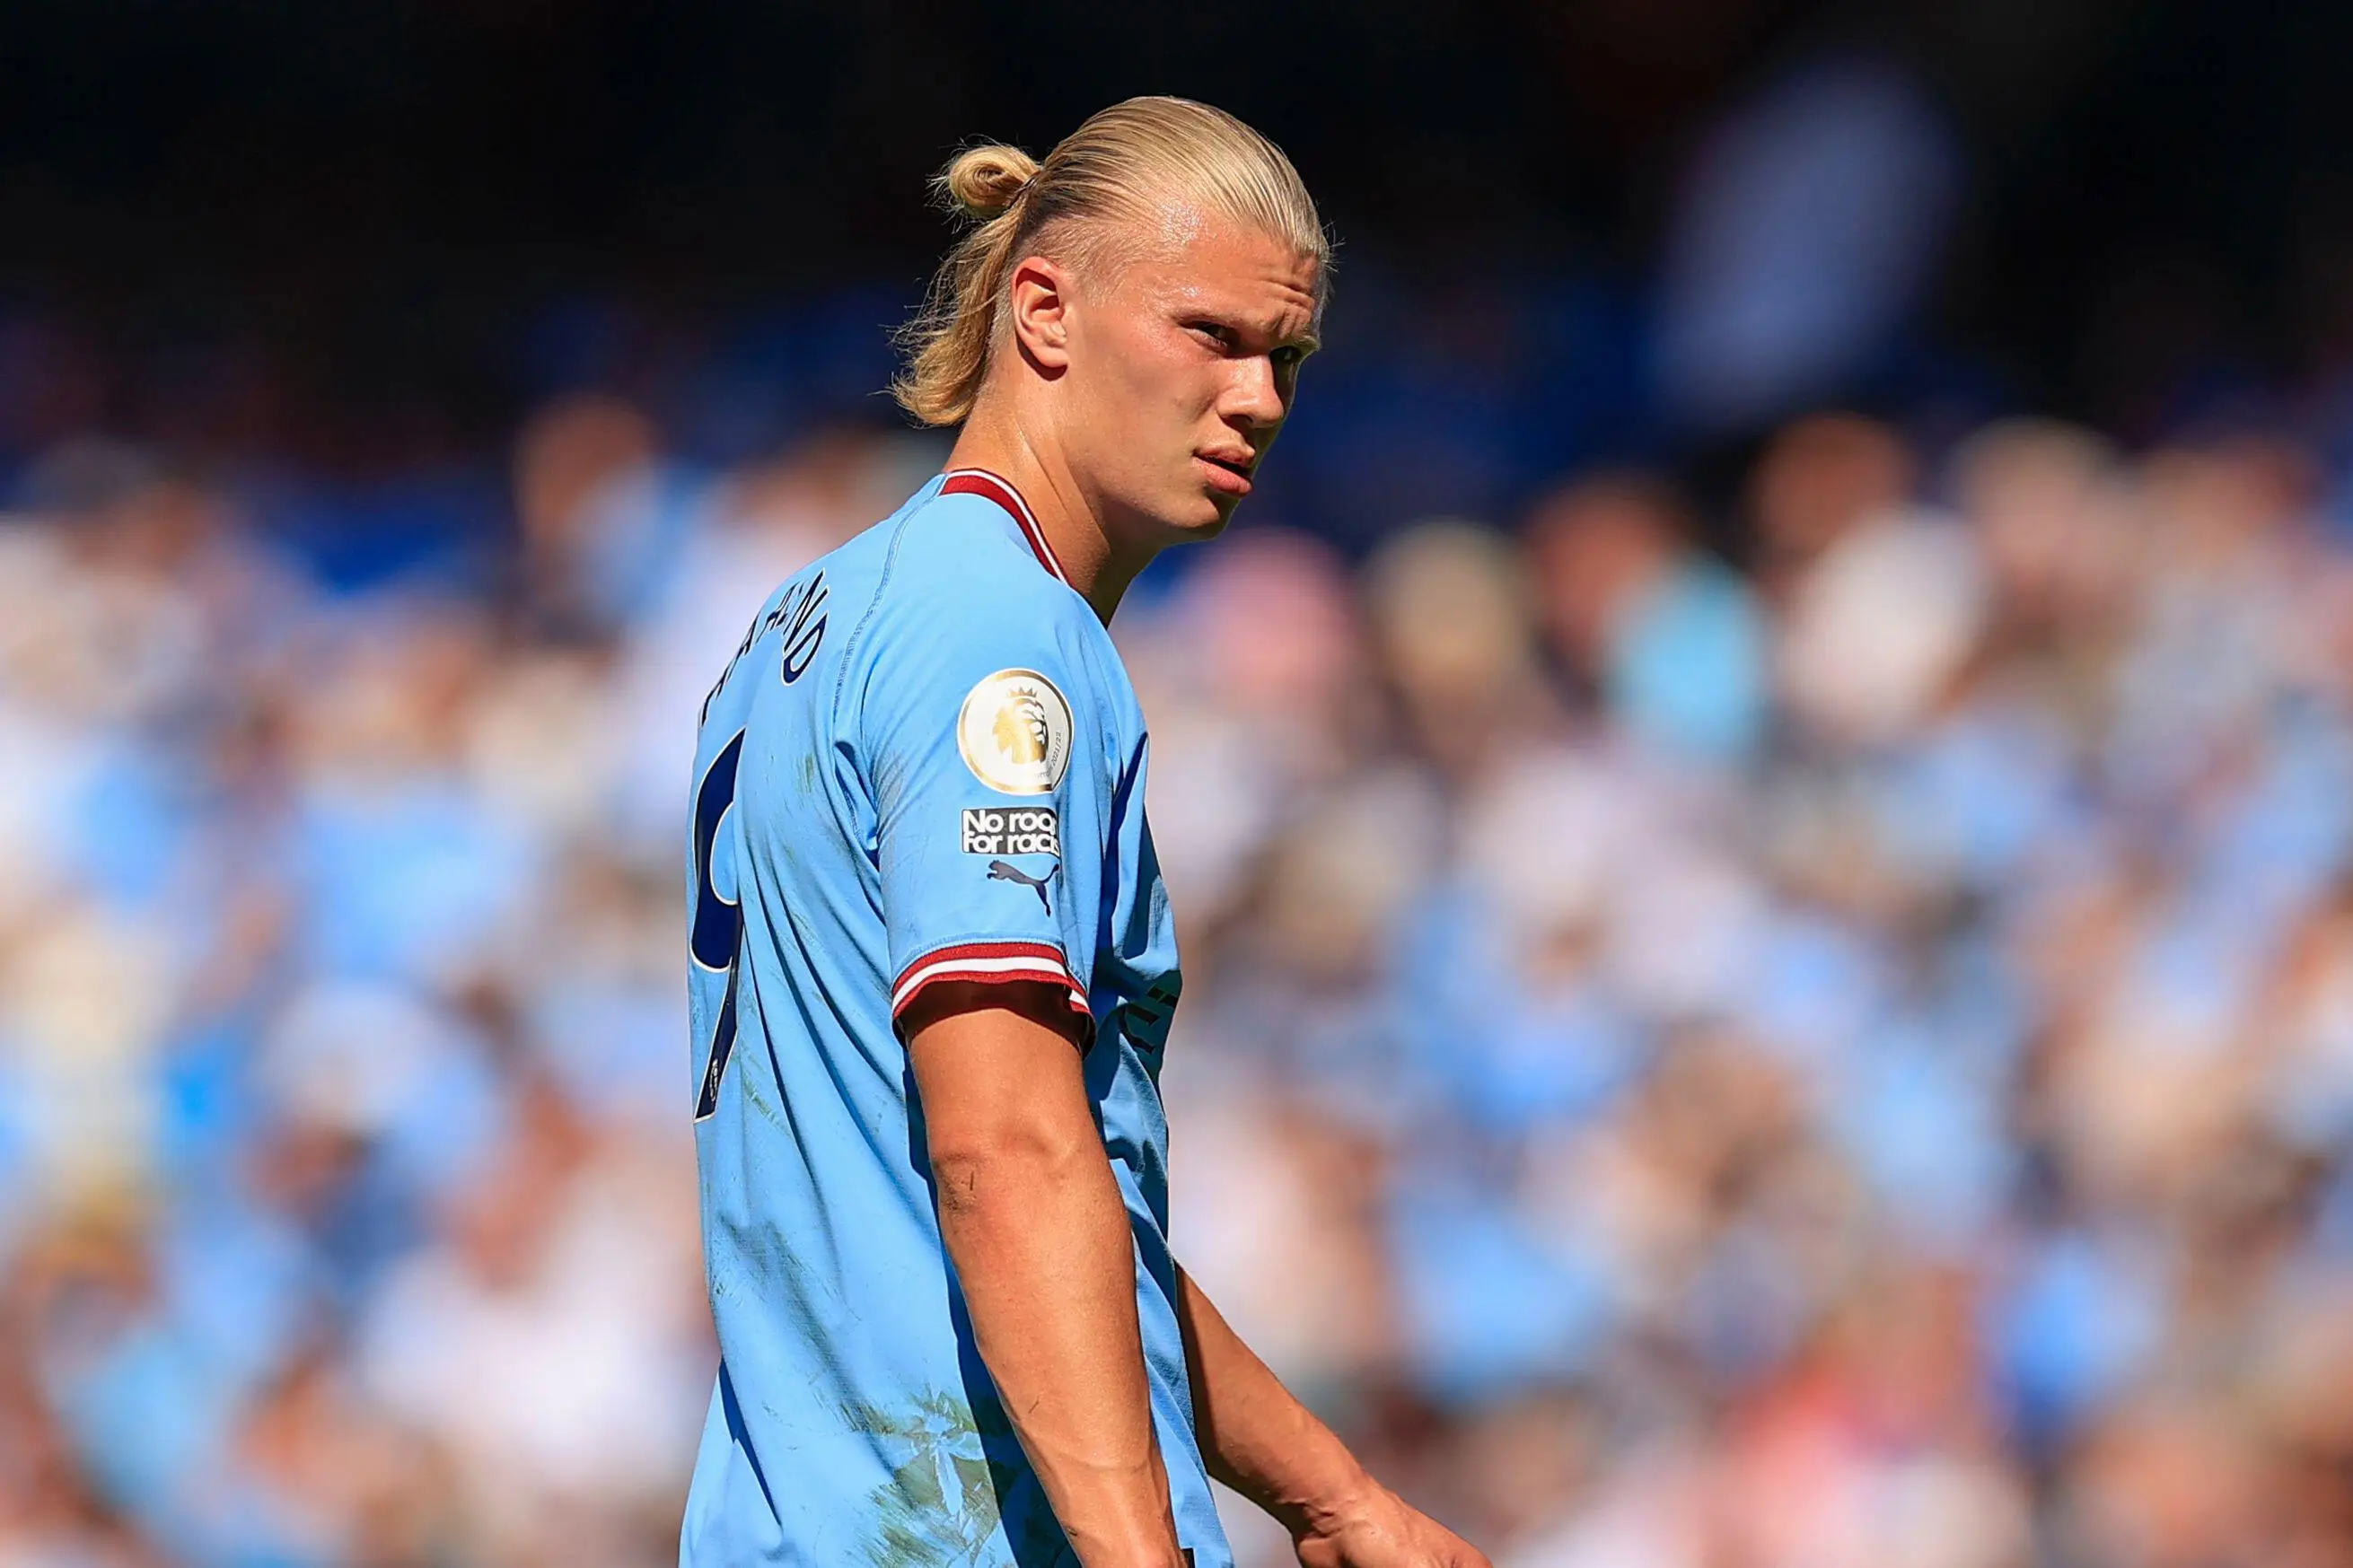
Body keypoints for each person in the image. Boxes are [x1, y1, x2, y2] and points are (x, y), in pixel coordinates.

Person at [679, 98, 1488, 1568]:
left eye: (1285, 356)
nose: (1260, 397)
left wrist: (1332, 1494)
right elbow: (1008, 1151)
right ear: (1043, 308)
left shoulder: (809, 621)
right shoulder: (1004, 640)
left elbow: (1043, 1191)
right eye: (1213, 335)